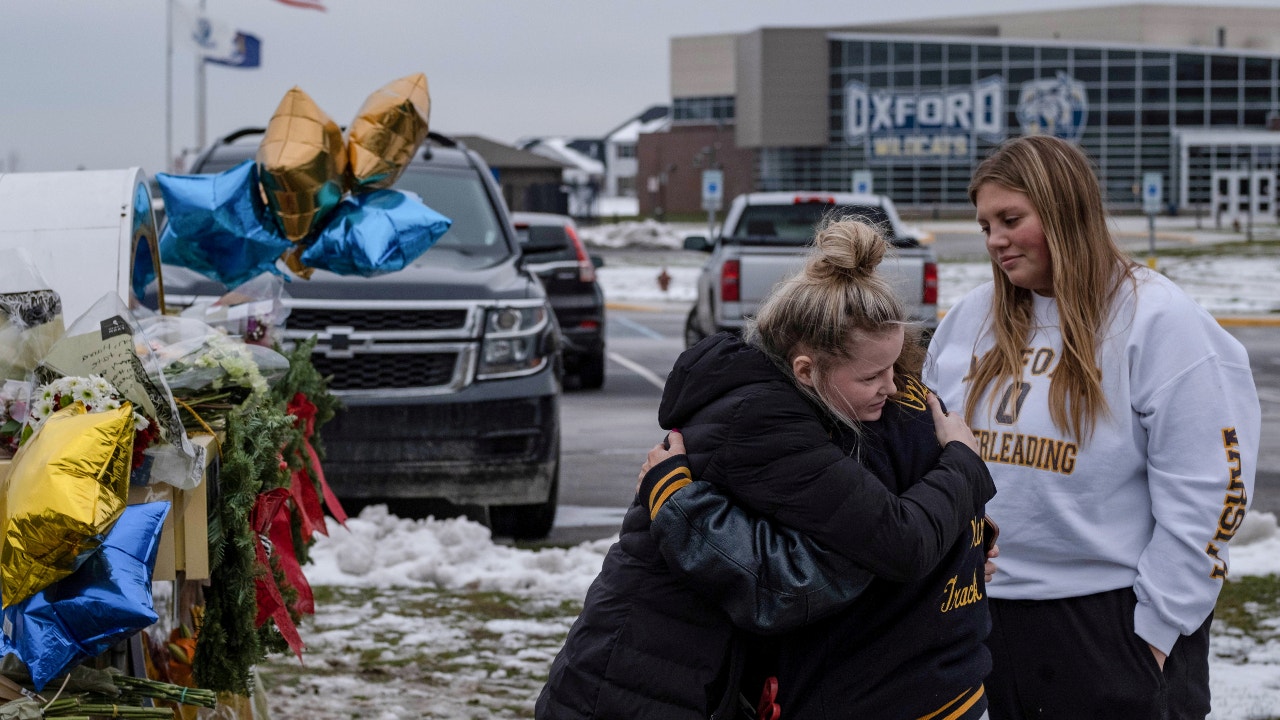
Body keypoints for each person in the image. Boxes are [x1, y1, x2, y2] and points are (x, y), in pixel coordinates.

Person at [535, 219, 995, 720]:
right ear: (806, 370)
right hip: (633, 686)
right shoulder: (765, 424)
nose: (892, 386)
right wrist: (962, 468)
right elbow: (851, 558)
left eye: (894, 369)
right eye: (872, 375)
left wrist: (962, 541)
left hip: (681, 678)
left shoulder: (805, 407)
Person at [923, 134, 1261, 719]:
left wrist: (1153, 635)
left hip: (1111, 624)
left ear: (1064, 211)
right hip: (979, 615)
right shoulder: (968, 321)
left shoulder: (1158, 321)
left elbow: (1210, 493)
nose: (995, 240)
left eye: (1010, 219)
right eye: (984, 226)